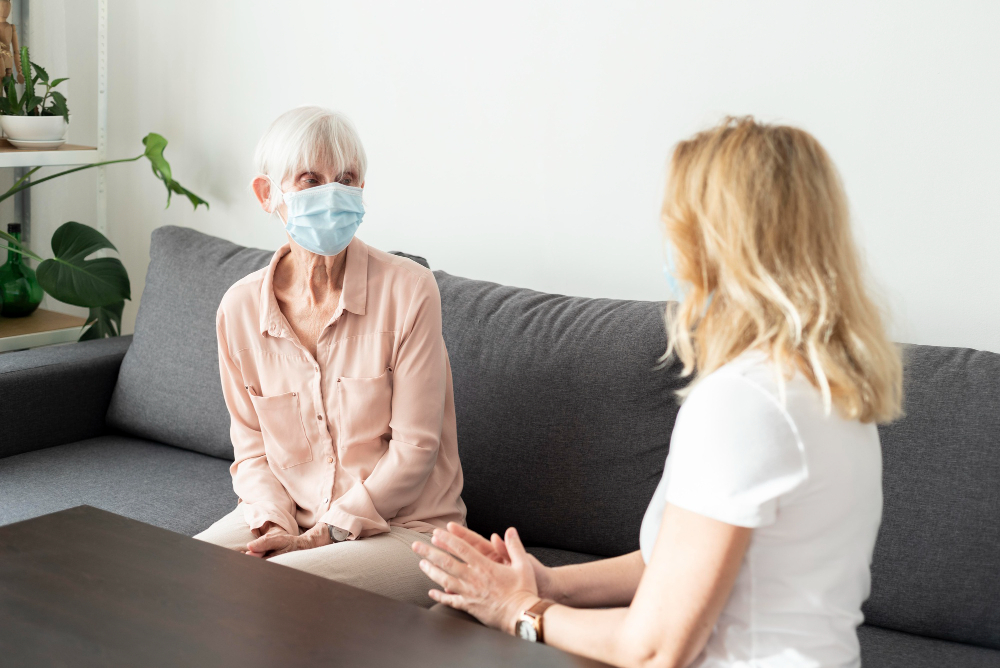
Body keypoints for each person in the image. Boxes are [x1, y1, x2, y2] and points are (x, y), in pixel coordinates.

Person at [412, 117, 902, 667]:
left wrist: (519, 610)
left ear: (718, 245)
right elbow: (682, 562)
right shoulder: (831, 386)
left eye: (677, 228)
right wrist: (550, 583)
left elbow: (656, 648)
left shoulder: (744, 403)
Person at [196, 106, 466, 607]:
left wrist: (319, 537)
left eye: (346, 179)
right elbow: (252, 448)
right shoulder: (238, 309)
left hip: (404, 528)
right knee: (173, 574)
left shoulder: (409, 290)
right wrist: (277, 525)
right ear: (267, 195)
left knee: (275, 595)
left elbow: (415, 450)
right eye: (310, 180)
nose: (332, 194)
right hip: (290, 511)